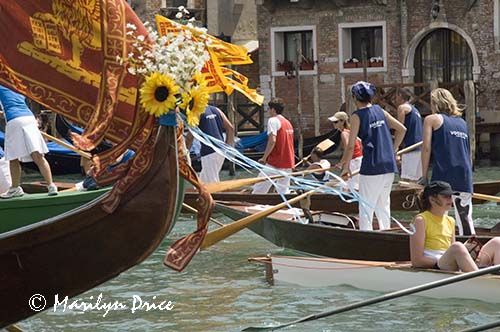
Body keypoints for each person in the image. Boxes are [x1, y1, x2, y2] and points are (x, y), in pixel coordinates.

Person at [341, 81, 407, 231]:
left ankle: (366, 238)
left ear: (354, 97)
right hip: (389, 166)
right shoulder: (380, 111)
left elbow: (351, 145)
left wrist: (345, 168)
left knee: (366, 206)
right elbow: (402, 129)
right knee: (383, 205)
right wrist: (394, 150)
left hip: (371, 165)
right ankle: (386, 234)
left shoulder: (356, 116)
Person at [410, 181, 500, 272]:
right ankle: (479, 280)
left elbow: (451, 249)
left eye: (450, 196)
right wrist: (448, 258)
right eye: (445, 196)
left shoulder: (450, 220)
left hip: (451, 261)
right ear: (432, 199)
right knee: (457, 247)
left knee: (497, 242)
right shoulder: (420, 220)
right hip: (436, 265)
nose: (450, 200)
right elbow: (417, 261)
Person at [420, 88, 474, 236]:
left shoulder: (431, 119)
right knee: (465, 216)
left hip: (444, 174)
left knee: (439, 215)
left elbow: (426, 148)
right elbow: (468, 151)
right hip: (464, 173)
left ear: (435, 103)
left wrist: (423, 176)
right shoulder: (462, 123)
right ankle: (471, 249)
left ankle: (440, 247)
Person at [0, 86, 57, 198]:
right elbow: (11, 107)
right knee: (38, 156)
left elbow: (10, 109)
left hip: (15, 121)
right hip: (30, 118)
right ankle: (51, 186)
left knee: (12, 158)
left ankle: (15, 188)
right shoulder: (19, 87)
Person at [252, 97, 295, 194]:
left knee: (258, 189)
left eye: (269, 109)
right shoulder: (288, 123)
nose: (268, 111)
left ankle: (252, 206)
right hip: (288, 163)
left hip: (275, 163)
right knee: (283, 191)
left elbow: (272, 141)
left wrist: (264, 158)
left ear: (273, 109)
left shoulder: (273, 120)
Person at [186, 105, 234, 183]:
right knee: (203, 181)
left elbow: (190, 137)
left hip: (209, 152)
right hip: (221, 151)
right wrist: (226, 148)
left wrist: (185, 152)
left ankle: (216, 195)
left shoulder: (196, 113)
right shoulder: (216, 109)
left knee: (211, 183)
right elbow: (230, 128)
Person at [328, 111, 363, 190]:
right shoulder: (350, 132)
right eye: (333, 122)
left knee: (347, 185)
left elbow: (347, 147)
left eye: (336, 122)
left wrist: (341, 163)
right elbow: (361, 142)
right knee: (353, 185)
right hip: (359, 160)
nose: (334, 124)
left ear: (342, 121)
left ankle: (345, 201)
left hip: (353, 162)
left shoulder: (344, 133)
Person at [394, 88, 423, 182]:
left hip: (411, 147)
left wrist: (395, 148)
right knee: (415, 181)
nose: (395, 99)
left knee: (405, 180)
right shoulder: (415, 109)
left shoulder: (402, 108)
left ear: (400, 96)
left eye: (396, 96)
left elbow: (400, 128)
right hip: (419, 147)